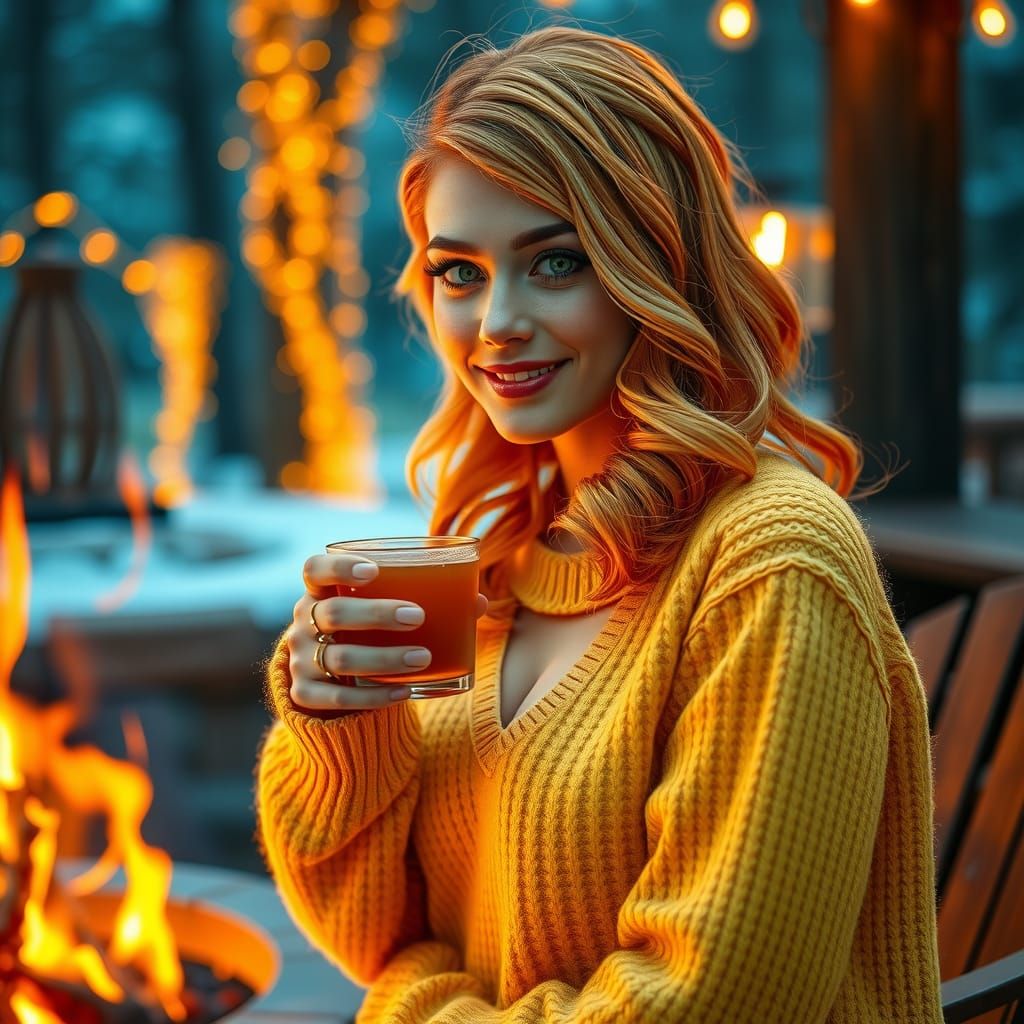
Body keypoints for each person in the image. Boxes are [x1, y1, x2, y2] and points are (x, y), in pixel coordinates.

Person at [255, 24, 943, 1023]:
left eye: (555, 262)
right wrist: (346, 732)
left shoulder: (770, 559)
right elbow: (373, 934)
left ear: (656, 263)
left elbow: (707, 1002)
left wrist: (412, 1003)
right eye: (459, 272)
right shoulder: (496, 561)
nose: (495, 323)